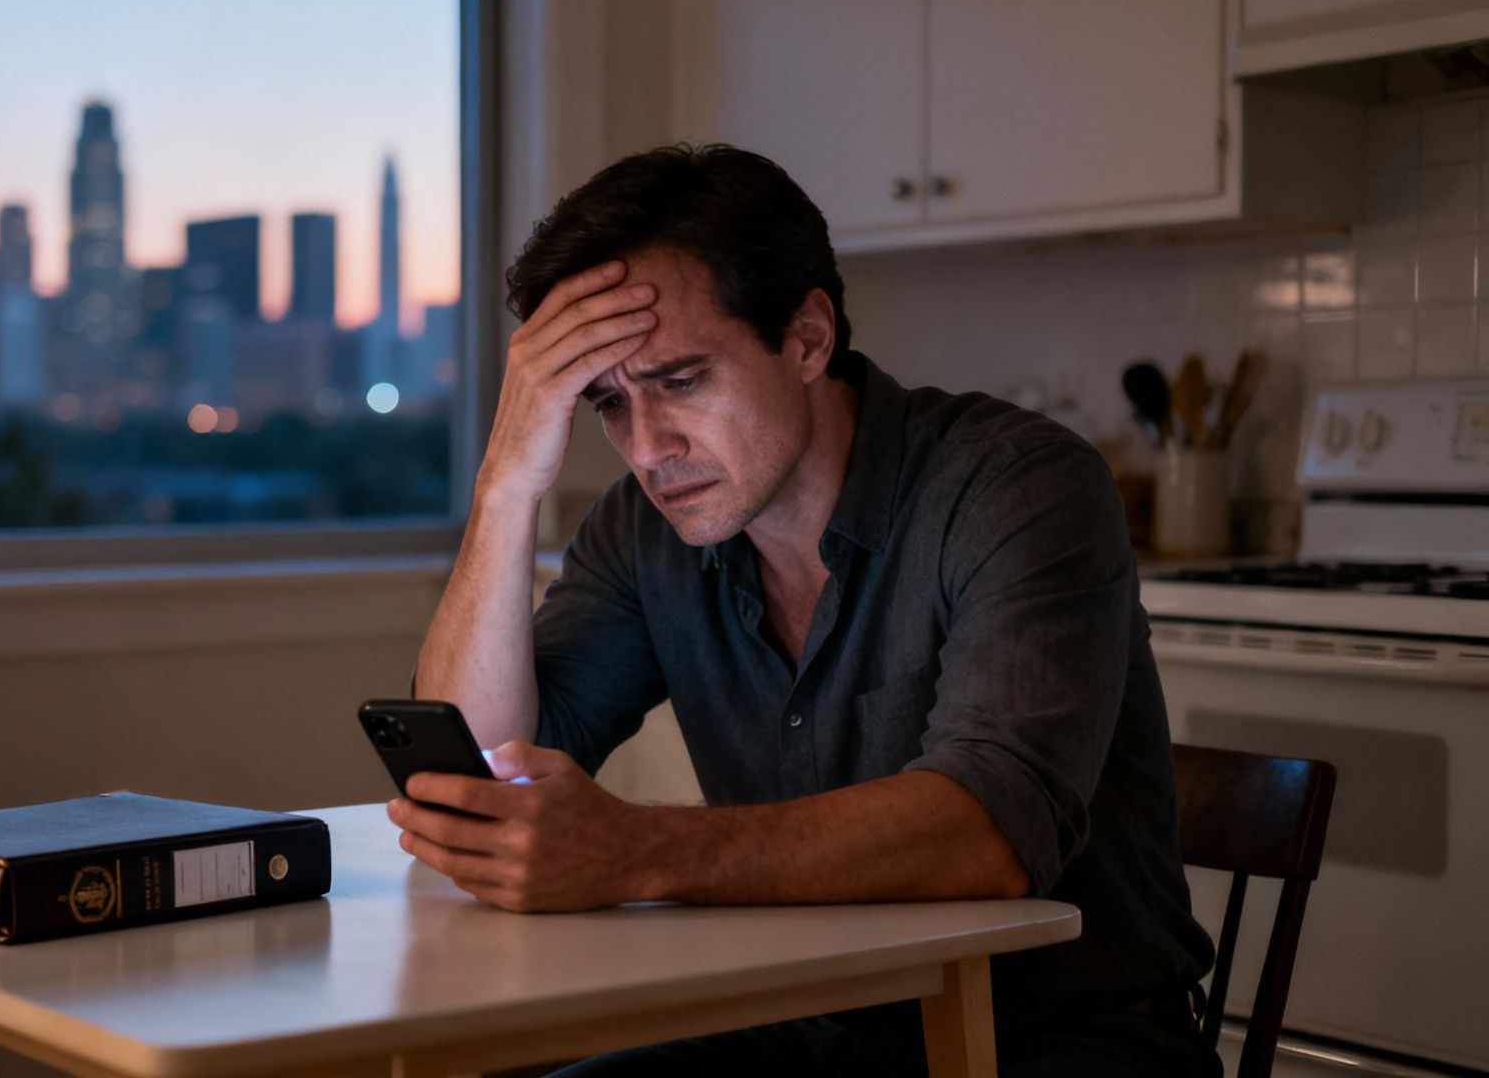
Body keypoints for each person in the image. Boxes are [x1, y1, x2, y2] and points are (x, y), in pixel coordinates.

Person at [389, 143, 1220, 1077]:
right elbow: (476, 771)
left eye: (681, 381)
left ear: (809, 338)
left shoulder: (1013, 484)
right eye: (606, 403)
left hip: (1056, 1039)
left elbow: (988, 834)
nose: (648, 448)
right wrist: (506, 480)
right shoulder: (646, 530)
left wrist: (633, 850)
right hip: (808, 1019)